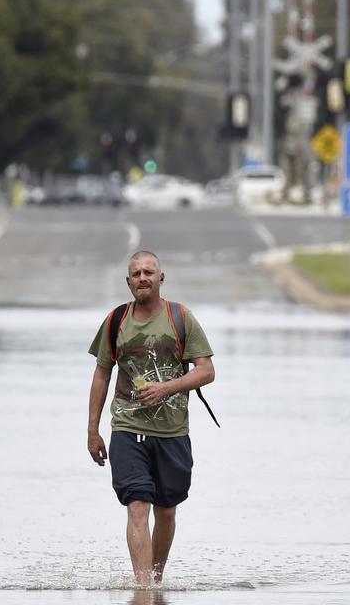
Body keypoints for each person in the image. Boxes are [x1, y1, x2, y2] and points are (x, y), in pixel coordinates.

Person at [87, 250, 215, 587]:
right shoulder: (116, 320)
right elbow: (101, 375)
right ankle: (143, 587)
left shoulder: (181, 318)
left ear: (161, 277)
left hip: (173, 432)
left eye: (149, 272)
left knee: (167, 511)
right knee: (137, 505)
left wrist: (167, 388)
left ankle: (156, 580)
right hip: (127, 429)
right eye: (136, 273)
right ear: (128, 282)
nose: (142, 278)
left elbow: (206, 371)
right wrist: (93, 431)